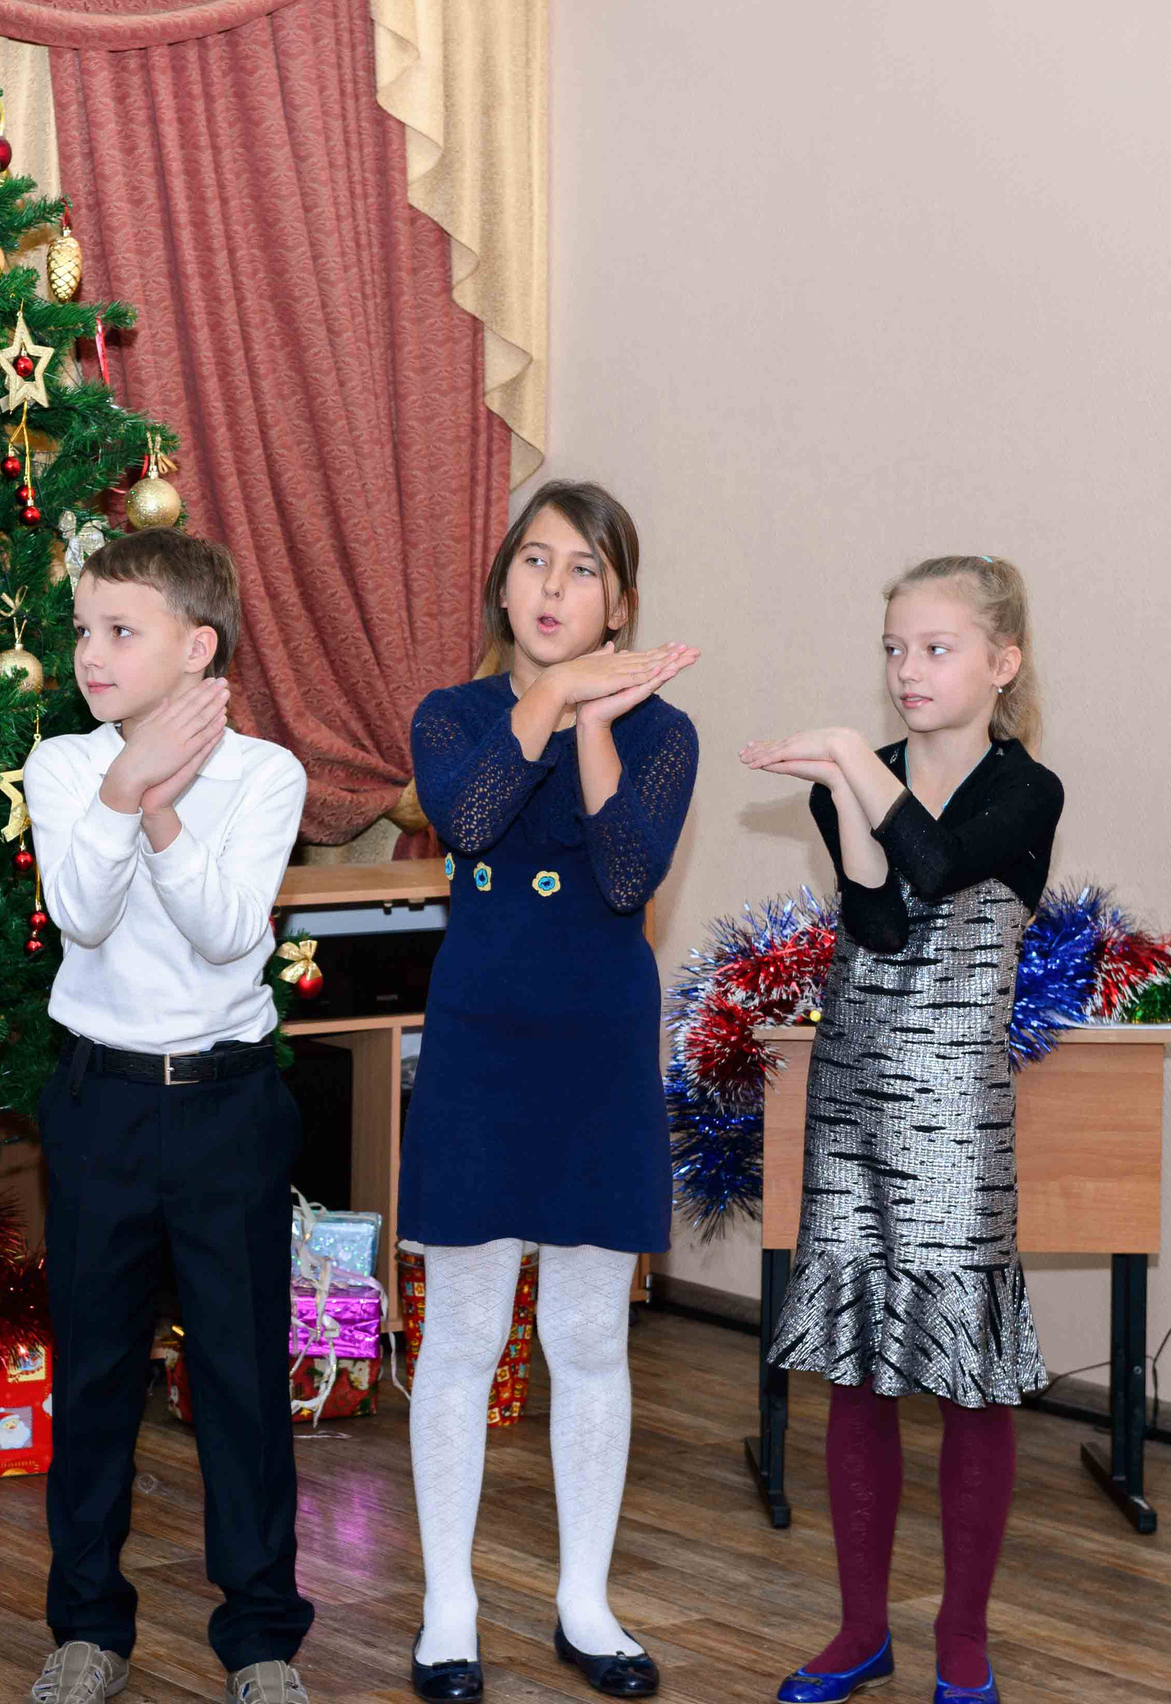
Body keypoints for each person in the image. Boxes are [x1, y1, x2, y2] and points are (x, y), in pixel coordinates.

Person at [741, 555, 1063, 1704]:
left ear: (1000, 662)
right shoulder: (857, 778)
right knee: (855, 1370)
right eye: (894, 648)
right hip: (853, 1093)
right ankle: (859, 1627)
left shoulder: (1025, 790)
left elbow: (934, 857)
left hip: (955, 1110)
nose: (909, 670)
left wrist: (846, 768)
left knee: (967, 1378)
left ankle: (961, 1639)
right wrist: (845, 778)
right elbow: (878, 919)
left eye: (935, 648)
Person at [397, 482, 696, 1703]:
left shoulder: (663, 734)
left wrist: (594, 720)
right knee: (464, 1333)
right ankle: (446, 1608)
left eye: (582, 571)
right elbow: (468, 819)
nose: (554, 589)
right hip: (480, 1047)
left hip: (596, 1054)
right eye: (534, 563)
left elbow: (625, 872)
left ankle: (585, 1601)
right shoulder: (451, 714)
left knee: (585, 1335)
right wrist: (549, 699)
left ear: (618, 600)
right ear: (502, 586)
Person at [21, 528, 312, 1704]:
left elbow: (231, 932)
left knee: (240, 1379)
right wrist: (123, 785)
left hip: (225, 1108)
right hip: (100, 1102)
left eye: (120, 631)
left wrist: (154, 806)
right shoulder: (61, 765)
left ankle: (259, 1640)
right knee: (92, 1376)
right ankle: (87, 1627)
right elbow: (80, 915)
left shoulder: (267, 775)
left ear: (197, 649)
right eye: (83, 629)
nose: (91, 652)